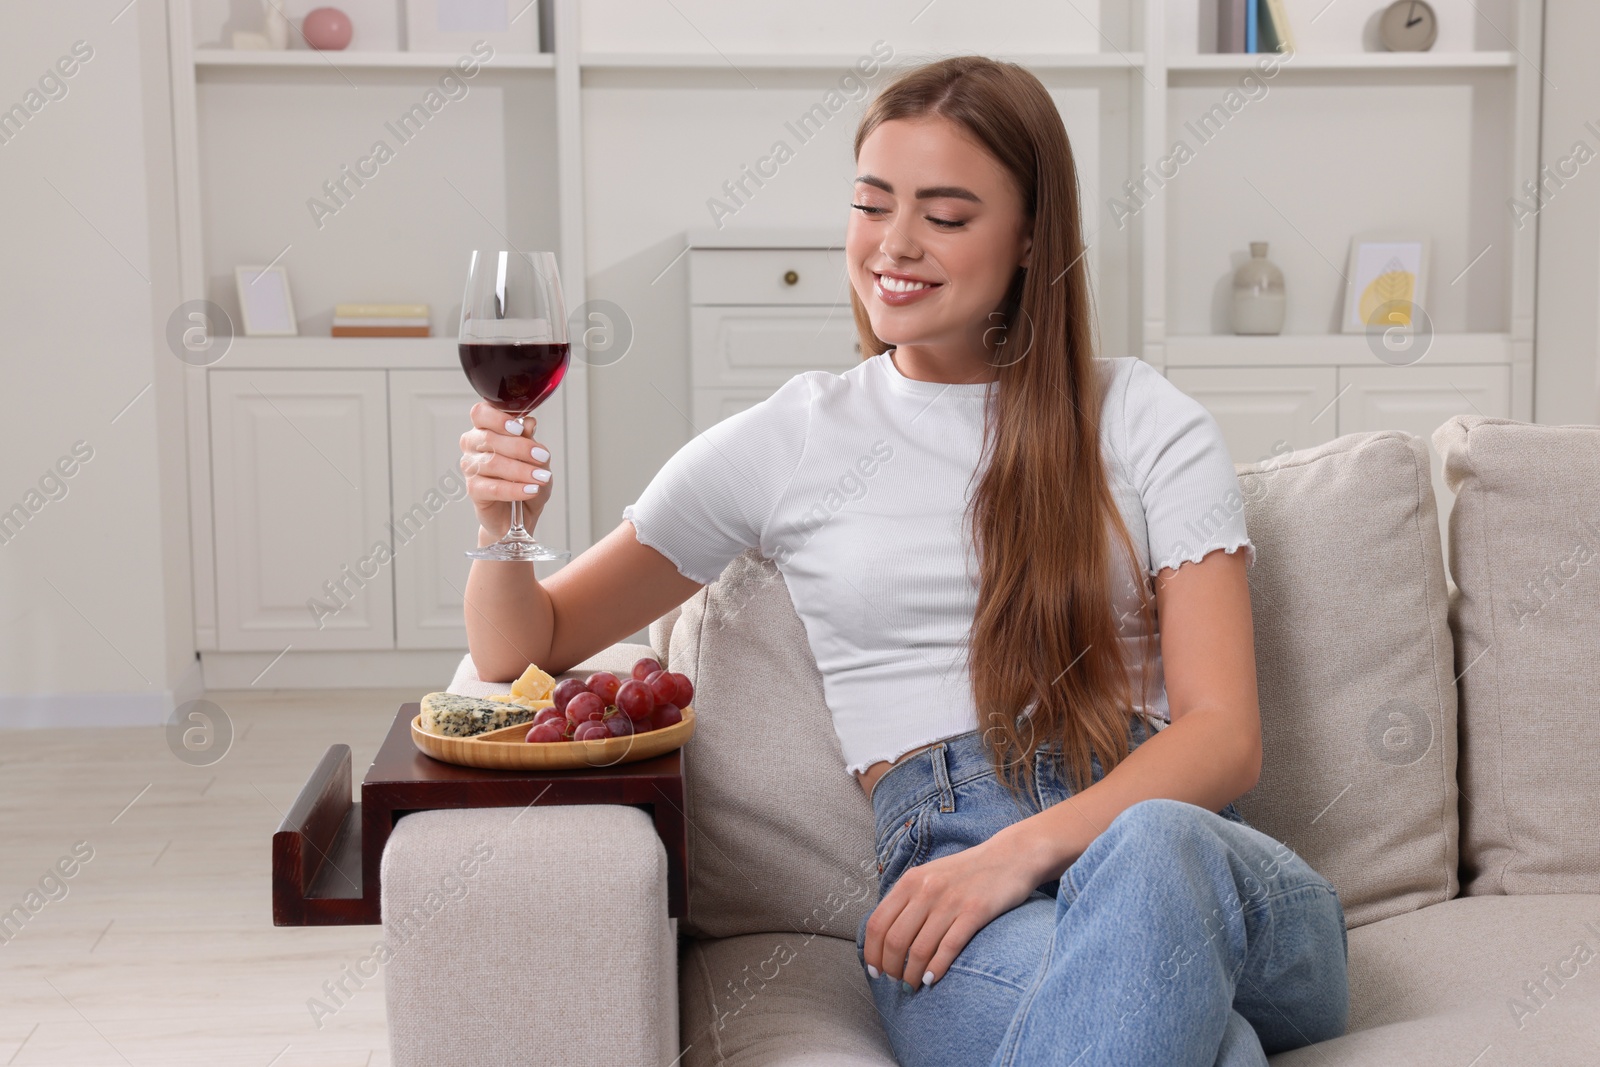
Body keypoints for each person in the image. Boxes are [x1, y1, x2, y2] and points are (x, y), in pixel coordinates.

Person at [458, 53, 1348, 1067]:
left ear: (1028, 238)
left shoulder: (1142, 416)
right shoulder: (792, 438)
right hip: (950, 868)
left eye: (946, 214)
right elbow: (528, 641)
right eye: (872, 204)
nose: (894, 244)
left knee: (1152, 849)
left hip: (1194, 857)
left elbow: (1223, 734)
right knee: (1197, 1036)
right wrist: (501, 523)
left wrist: (1018, 853)